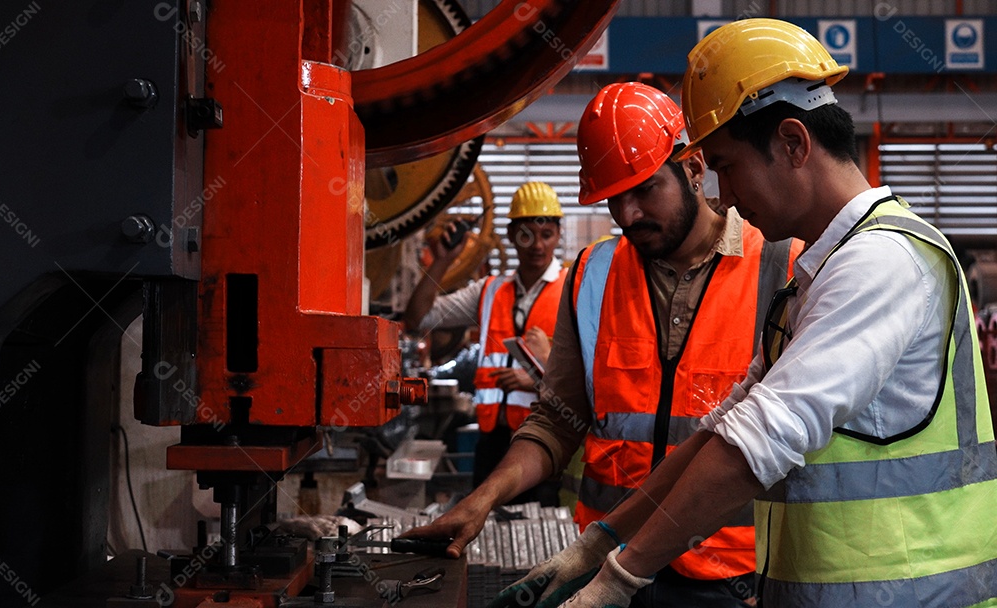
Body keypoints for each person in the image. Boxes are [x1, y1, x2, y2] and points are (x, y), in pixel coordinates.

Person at [543, 19, 997, 608]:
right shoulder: (817, 276)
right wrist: (601, 540)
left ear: (792, 143)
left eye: (727, 166)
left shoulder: (883, 261)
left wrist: (619, 579)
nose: (725, 196)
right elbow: (724, 429)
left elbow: (760, 439)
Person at [405, 82, 801, 607]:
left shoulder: (782, 266)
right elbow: (557, 420)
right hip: (603, 570)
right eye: (614, 198)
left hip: (733, 577)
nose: (628, 214)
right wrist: (482, 500)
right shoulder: (593, 274)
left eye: (644, 190)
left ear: (692, 167)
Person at [404, 182, 566, 506]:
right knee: (486, 523)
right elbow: (418, 318)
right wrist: (442, 260)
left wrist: (537, 379)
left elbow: (591, 378)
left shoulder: (572, 292)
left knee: (537, 529)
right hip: (492, 445)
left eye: (546, 234)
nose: (537, 245)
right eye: (527, 235)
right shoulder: (489, 291)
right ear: (511, 235)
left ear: (558, 236)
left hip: (545, 444)